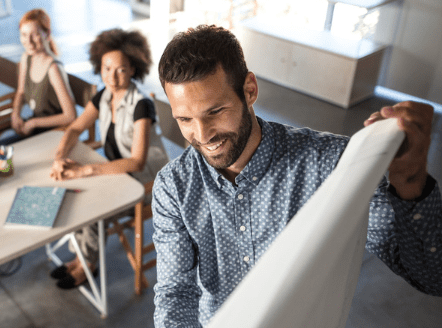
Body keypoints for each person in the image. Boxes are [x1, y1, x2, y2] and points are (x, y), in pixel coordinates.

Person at [152, 25, 442, 327]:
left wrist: (410, 184)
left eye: (215, 111)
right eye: (185, 119)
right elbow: (176, 294)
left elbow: (432, 277)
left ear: (249, 90)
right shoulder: (174, 186)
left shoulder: (332, 165)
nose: (201, 135)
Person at [49, 29, 169, 289]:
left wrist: (86, 170)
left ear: (134, 69)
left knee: (91, 206)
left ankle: (87, 264)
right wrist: (60, 156)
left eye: (121, 70)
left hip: (145, 183)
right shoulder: (103, 95)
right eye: (106, 69)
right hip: (119, 174)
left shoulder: (141, 105)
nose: (112, 77)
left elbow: (137, 162)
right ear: (99, 67)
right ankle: (82, 257)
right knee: (75, 192)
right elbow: (74, 128)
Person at [0, 9, 75, 147]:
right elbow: (21, 91)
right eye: (24, 35)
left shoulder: (53, 69)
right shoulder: (26, 58)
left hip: (54, 135)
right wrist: (16, 114)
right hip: (35, 130)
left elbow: (70, 116)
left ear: (47, 35)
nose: (28, 41)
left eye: (35, 34)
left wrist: (33, 123)